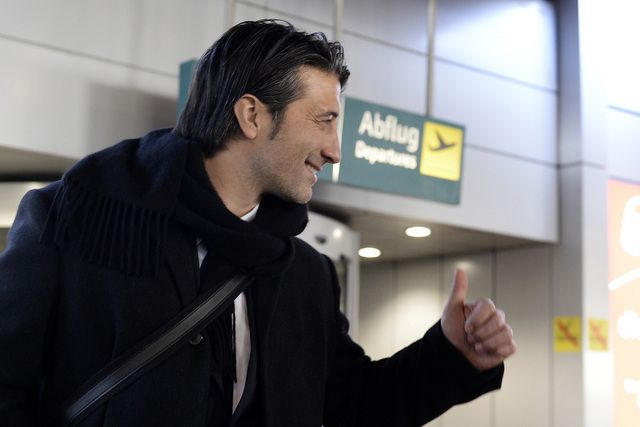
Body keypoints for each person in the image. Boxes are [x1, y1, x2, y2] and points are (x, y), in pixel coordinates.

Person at [0, 19, 516, 427]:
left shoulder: (304, 274)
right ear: (251, 115)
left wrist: (452, 355)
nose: (335, 151)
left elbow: (350, 403)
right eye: (324, 120)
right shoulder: (72, 222)